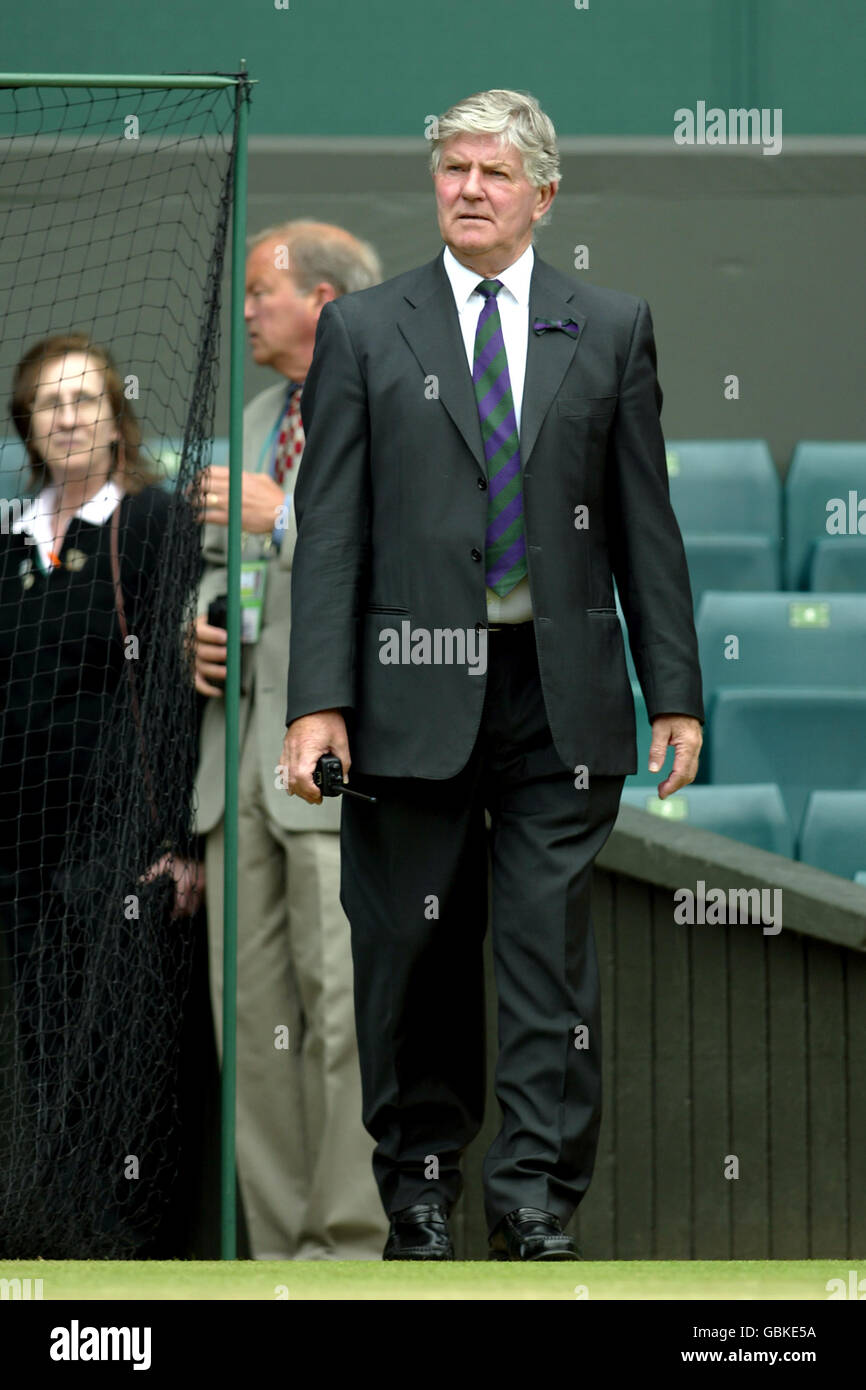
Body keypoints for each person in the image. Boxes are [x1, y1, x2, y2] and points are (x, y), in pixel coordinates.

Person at [281, 90, 705, 1262]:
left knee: (543, 956)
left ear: (543, 194)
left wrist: (673, 689)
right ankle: (418, 1196)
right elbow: (331, 532)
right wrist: (316, 699)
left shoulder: (611, 325)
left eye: (492, 172)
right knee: (409, 957)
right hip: (402, 695)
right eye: (452, 168)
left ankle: (530, 1201)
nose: (467, 188)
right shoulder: (364, 328)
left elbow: (642, 524)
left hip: (555, 695)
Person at [192, 221, 389, 1260]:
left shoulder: (395, 404)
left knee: (344, 1026)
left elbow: (408, 567)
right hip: (233, 772)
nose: (248, 309)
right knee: (253, 1028)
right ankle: (276, 1257)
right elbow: (234, 576)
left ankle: (347, 1252)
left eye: (262, 290)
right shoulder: (260, 413)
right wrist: (203, 619)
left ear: (320, 300)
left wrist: (283, 521)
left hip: (331, 771)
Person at [0, 333, 201, 1253]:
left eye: (86, 401)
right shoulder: (8, 541)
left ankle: (118, 1261)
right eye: (50, 405)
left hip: (119, 844)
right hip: (18, 855)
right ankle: (51, 1248)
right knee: (40, 1059)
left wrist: (179, 841)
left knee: (120, 1071)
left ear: (118, 418)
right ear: (28, 429)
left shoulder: (154, 524)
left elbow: (173, 691)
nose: (70, 418)